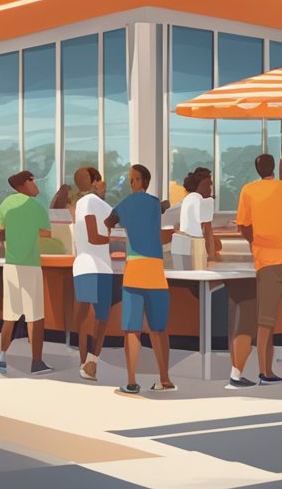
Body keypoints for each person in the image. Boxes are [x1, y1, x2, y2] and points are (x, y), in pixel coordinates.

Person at [237, 153, 282, 385]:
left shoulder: (248, 190)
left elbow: (243, 225)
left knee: (265, 320)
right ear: (274, 168)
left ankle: (265, 371)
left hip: (265, 261)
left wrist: (254, 242)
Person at [105, 164, 176, 395]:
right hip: (156, 269)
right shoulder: (156, 203)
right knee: (159, 328)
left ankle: (132, 381)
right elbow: (163, 209)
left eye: (131, 179)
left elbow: (108, 221)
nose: (130, 182)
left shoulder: (125, 204)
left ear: (137, 181)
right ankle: (165, 379)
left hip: (135, 268)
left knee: (133, 329)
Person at [0, 171, 53, 375]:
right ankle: (36, 363)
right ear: (26, 183)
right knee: (35, 317)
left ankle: (2, 357)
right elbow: (47, 233)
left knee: (10, 314)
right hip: (31, 265)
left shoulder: (6, 204)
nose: (36, 184)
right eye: (33, 180)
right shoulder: (37, 207)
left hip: (11, 265)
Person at [70, 166, 116, 381]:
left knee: (85, 315)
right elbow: (93, 236)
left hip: (83, 264)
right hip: (97, 266)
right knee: (100, 316)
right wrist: (116, 240)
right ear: (96, 181)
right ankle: (90, 362)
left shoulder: (80, 203)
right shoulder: (93, 201)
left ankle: (85, 363)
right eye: (102, 180)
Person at [171, 171, 215, 260]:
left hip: (181, 245)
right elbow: (208, 232)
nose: (210, 189)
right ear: (198, 186)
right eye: (207, 186)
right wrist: (212, 257)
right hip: (196, 246)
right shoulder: (204, 201)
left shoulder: (188, 199)